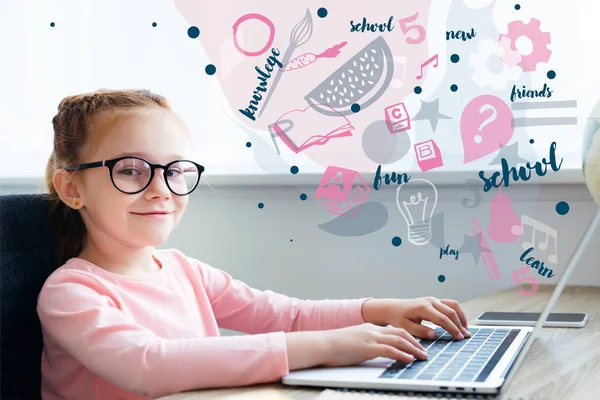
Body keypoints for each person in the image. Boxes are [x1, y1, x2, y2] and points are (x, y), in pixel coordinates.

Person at [38, 89, 472, 400]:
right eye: (131, 170)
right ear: (72, 190)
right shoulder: (70, 294)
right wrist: (328, 346)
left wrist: (380, 310)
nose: (161, 189)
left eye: (175, 170)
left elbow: (286, 315)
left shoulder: (185, 271)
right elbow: (148, 365)